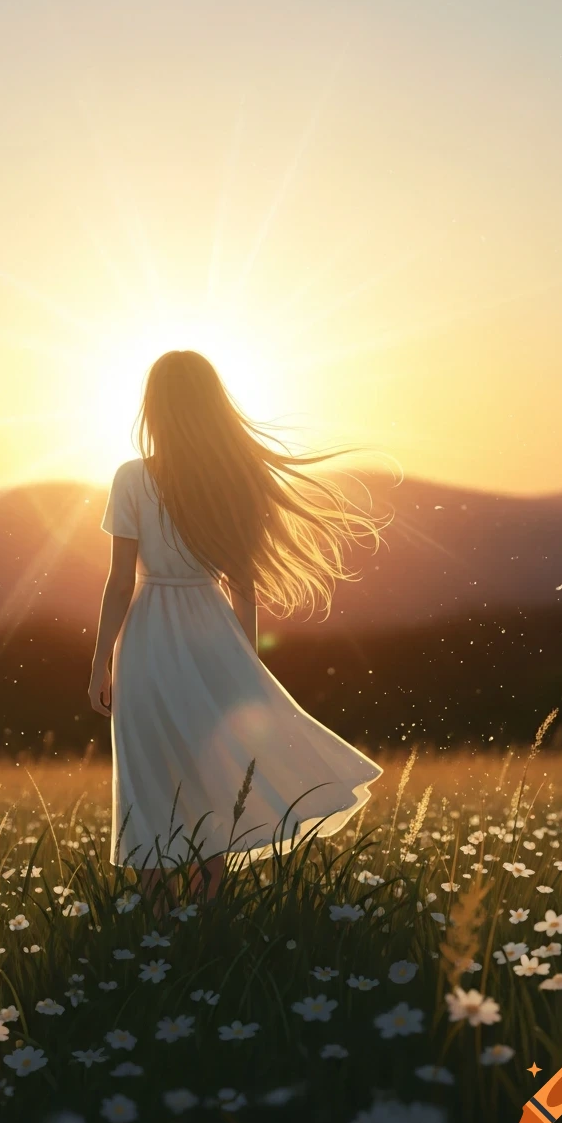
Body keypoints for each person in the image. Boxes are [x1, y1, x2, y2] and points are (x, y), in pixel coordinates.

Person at [88, 350, 393, 918]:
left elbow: (118, 582)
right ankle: (208, 917)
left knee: (148, 772)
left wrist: (100, 660)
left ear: (154, 405)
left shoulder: (132, 477)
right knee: (214, 774)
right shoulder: (232, 478)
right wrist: (245, 662)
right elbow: (245, 587)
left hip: (149, 637)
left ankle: (159, 923)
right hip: (215, 634)